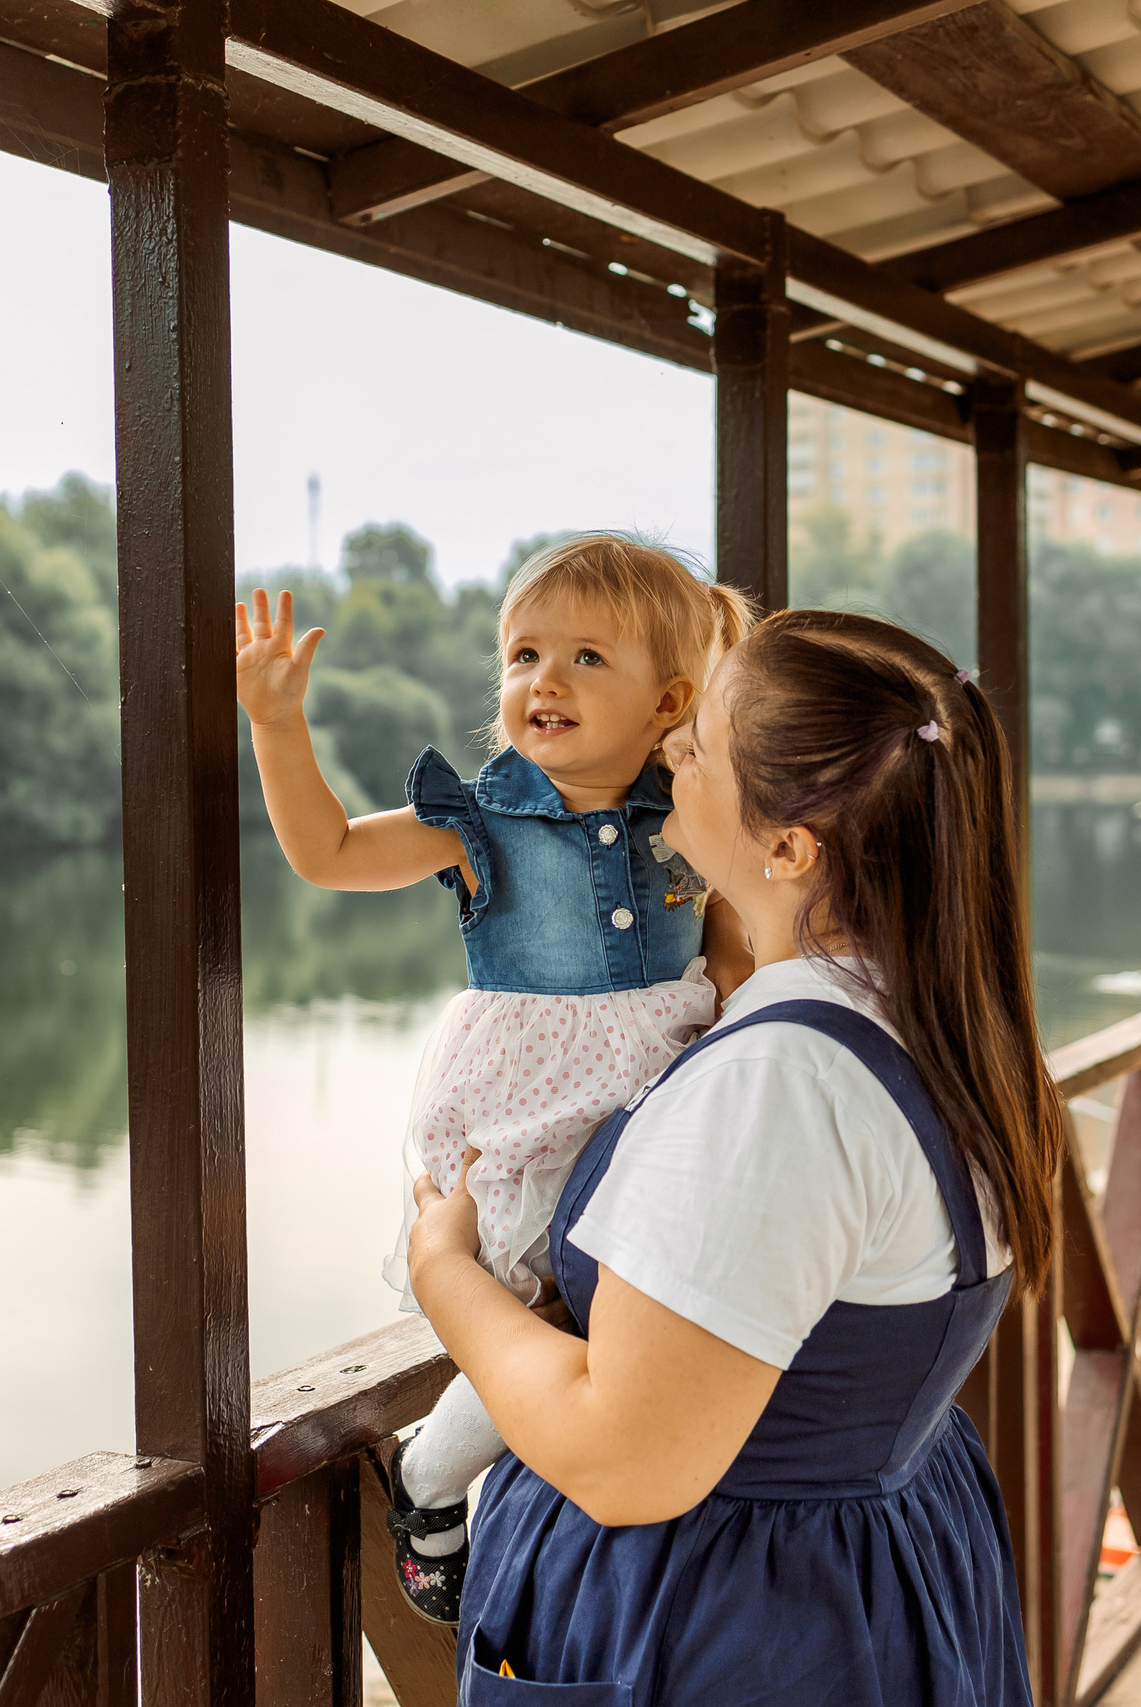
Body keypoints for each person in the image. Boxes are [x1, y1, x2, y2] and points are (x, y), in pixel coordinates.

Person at [406, 607, 1068, 1705]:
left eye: (698, 742)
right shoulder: (943, 1020)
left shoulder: (780, 1087)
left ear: (790, 846)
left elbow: (627, 1461)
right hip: (879, 1564)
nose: (667, 752)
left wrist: (446, 1275)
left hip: (730, 1618)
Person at [234, 536, 753, 1624]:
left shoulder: (692, 809)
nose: (541, 681)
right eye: (521, 655)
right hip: (531, 1102)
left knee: (650, 1310)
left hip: (662, 1087)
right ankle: (429, 1478)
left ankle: (561, 1499)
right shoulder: (479, 819)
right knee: (549, 1316)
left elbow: (736, 943)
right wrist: (278, 725)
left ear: (669, 700)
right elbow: (327, 853)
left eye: (583, 659)